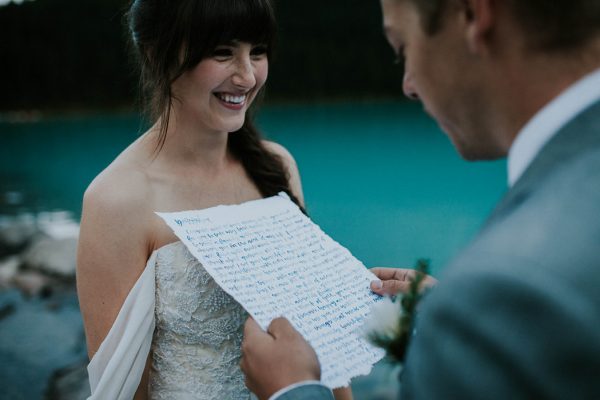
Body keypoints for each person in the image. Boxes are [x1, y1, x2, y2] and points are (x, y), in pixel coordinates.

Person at [240, 0, 600, 398]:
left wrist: (295, 389)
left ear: (473, 16)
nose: (409, 85)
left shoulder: (505, 290)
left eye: (402, 49)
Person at [76, 0, 352, 398]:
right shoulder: (116, 200)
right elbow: (123, 389)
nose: (246, 76)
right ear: (158, 55)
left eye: (257, 52)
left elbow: (316, 331)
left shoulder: (278, 167)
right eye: (223, 52)